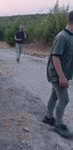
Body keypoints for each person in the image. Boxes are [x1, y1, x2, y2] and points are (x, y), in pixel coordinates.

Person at [43, 10, 73, 139]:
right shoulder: (62, 36)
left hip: (63, 73)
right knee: (64, 99)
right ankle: (59, 125)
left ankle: (48, 117)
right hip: (57, 74)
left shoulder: (70, 36)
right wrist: (61, 76)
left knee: (55, 95)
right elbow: (55, 57)